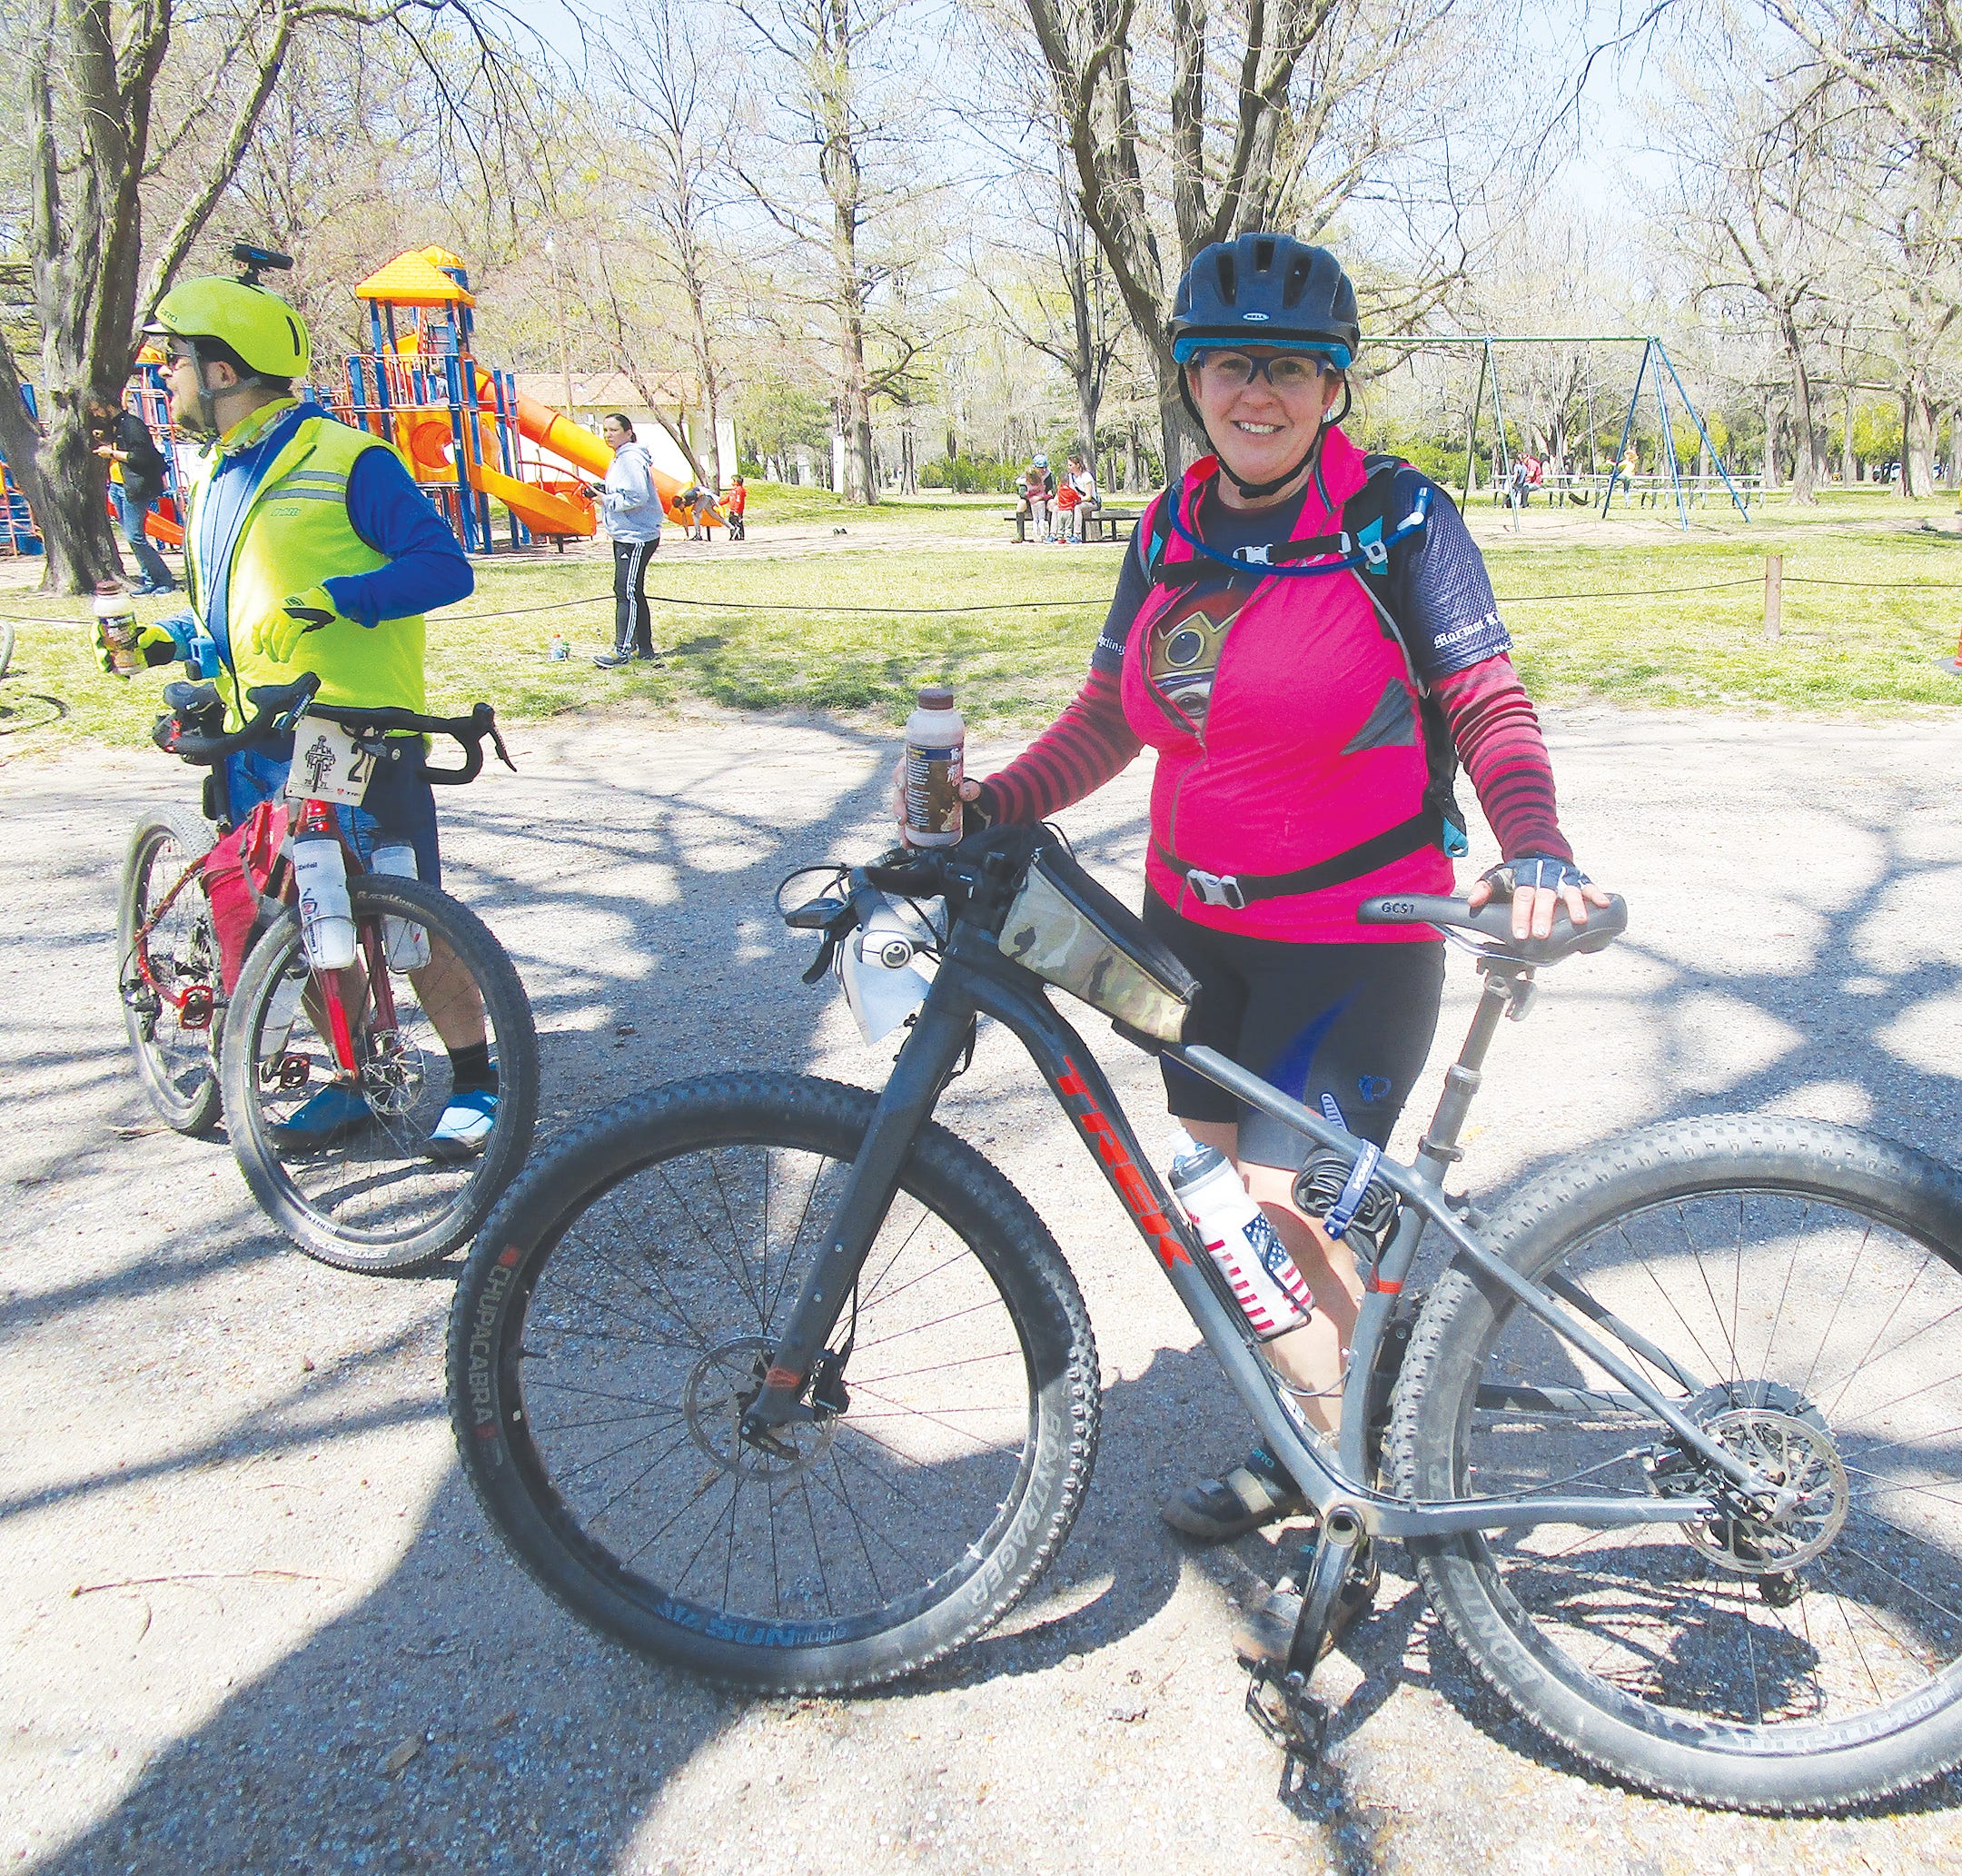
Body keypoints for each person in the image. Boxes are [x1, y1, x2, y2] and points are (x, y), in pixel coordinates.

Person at [897, 233, 1608, 1654]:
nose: (1258, 392)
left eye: (1290, 368)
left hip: (1356, 940)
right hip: (1194, 937)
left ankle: (1367, 1477)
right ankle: (1319, 1440)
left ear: (1332, 386)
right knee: (1224, 1218)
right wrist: (994, 804)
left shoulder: (1396, 519)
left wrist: (1533, 839)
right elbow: (1113, 715)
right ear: (1194, 380)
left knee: (1274, 1217)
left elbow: (1484, 695)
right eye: (1232, 366)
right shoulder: (1169, 526)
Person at [99, 273, 494, 1154]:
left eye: (177, 365)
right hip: (256, 745)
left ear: (224, 368)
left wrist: (344, 596)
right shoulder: (215, 481)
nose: (166, 384)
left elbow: (445, 567)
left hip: (355, 734)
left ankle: (477, 1078)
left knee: (409, 919)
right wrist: (165, 643)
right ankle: (353, 1077)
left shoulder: (348, 459)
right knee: (306, 920)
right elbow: (225, 620)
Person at [590, 413, 664, 669]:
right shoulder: (622, 457)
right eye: (605, 430)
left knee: (626, 592)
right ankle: (644, 647)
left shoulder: (630, 457)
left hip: (637, 536)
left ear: (628, 432)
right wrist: (605, 490)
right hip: (626, 534)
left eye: (614, 430)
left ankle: (622, 650)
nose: (608, 434)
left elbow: (638, 496)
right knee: (631, 591)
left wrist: (606, 500)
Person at [91, 395, 177, 594]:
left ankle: (163, 579)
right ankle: (150, 580)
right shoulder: (115, 426)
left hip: (134, 487)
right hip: (118, 487)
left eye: (97, 409)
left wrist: (111, 453)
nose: (95, 414)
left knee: (134, 536)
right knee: (132, 537)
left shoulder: (132, 425)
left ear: (109, 405)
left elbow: (141, 457)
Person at [1056, 452, 1098, 543]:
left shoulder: (1086, 476)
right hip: (1074, 501)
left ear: (1078, 465)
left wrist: (1076, 500)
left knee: (1077, 508)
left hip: (1090, 503)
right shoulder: (1070, 477)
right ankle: (1056, 534)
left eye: (1071, 465)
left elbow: (1088, 496)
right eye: (1068, 465)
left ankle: (1077, 535)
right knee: (1057, 507)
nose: (1069, 467)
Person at [1019, 454, 1054, 542]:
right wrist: (1030, 497)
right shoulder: (1027, 476)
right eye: (1041, 467)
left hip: (1043, 499)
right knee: (1021, 504)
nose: (1044, 470)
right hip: (1030, 501)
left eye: (1045, 467)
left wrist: (1040, 497)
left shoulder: (1048, 475)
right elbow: (1022, 492)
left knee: (1052, 504)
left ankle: (1051, 533)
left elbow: (1052, 491)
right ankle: (1019, 534)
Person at [723, 471, 748, 541]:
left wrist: (737, 510)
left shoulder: (739, 490)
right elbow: (727, 498)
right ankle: (734, 535)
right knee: (731, 522)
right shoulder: (733, 490)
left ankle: (739, 536)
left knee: (737, 523)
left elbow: (738, 500)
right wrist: (719, 503)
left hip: (737, 511)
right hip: (732, 510)